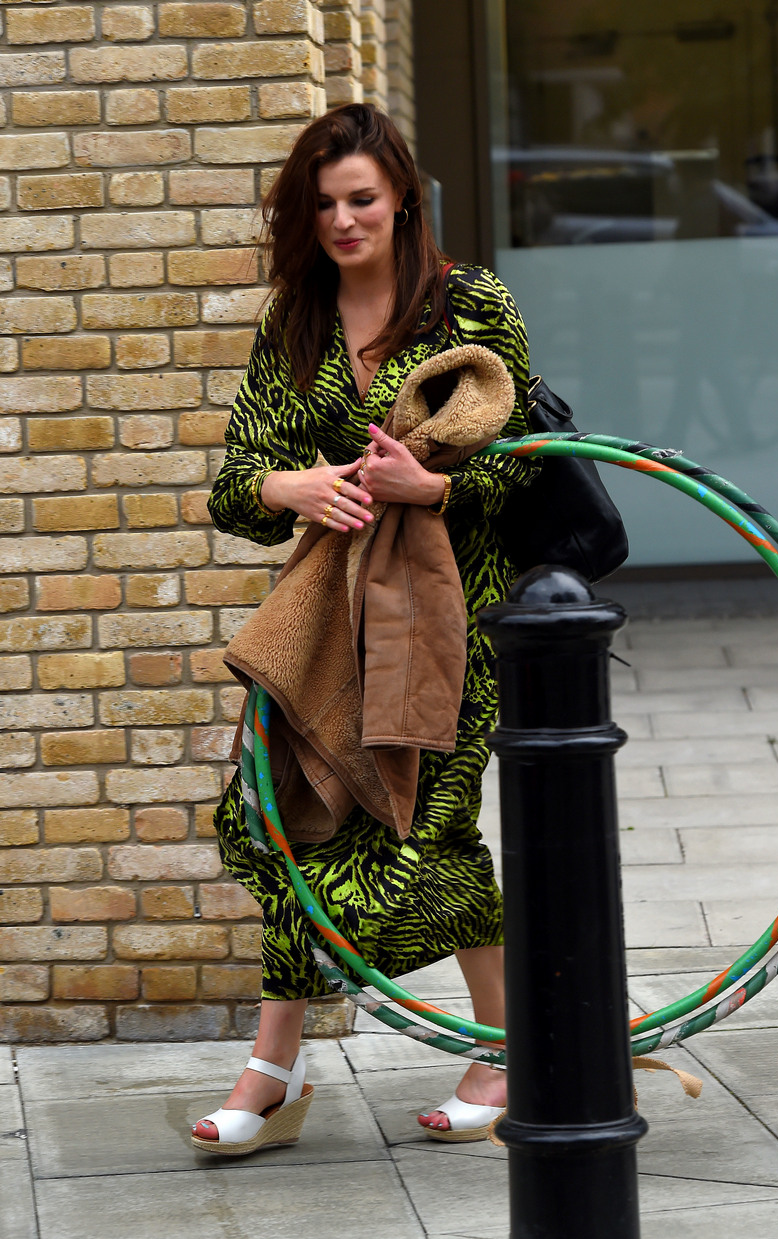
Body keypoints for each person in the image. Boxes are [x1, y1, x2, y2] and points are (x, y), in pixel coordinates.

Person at [194, 102, 538, 1152]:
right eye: (324, 202)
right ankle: (278, 1067)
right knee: (286, 823)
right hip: (331, 628)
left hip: (448, 620)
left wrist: (427, 486)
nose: (343, 219)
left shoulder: (467, 303)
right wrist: (293, 486)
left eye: (361, 199)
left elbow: (529, 466)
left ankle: (502, 1046)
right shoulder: (293, 320)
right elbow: (231, 488)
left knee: (427, 832)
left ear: (400, 202)